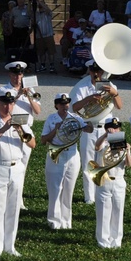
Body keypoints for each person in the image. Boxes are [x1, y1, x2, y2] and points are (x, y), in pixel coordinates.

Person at [0, 89, 35, 257]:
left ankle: (10, 246)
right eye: (4, 103)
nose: (7, 107)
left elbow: (32, 144)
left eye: (10, 103)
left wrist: (20, 130)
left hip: (17, 168)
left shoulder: (21, 121)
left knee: (13, 209)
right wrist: (4, 129)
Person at [73, 60, 122, 205]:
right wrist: (88, 99)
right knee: (89, 162)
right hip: (90, 127)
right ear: (89, 71)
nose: (96, 74)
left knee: (109, 160)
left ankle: (107, 190)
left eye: (99, 71)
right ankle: (90, 197)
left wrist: (114, 93)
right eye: (93, 71)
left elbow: (119, 106)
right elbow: (73, 107)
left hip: (109, 128)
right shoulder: (82, 86)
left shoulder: (110, 84)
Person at [42, 92, 92, 230]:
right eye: (62, 104)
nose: (65, 106)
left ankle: (66, 221)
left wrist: (86, 123)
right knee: (55, 189)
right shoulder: (51, 119)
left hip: (72, 155)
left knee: (68, 190)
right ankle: (53, 220)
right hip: (56, 153)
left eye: (67, 103)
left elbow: (89, 129)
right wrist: (56, 130)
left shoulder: (74, 118)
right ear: (56, 105)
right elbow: (43, 140)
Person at [93, 117, 131, 249]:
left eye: (116, 128)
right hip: (105, 181)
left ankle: (116, 240)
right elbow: (96, 146)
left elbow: (129, 164)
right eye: (111, 127)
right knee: (104, 212)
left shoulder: (122, 143)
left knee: (118, 211)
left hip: (119, 181)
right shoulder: (103, 143)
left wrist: (128, 151)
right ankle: (103, 241)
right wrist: (106, 135)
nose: (114, 130)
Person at [33, 0, 55, 72]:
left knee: (51, 51)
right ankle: (43, 65)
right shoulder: (36, 15)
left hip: (48, 35)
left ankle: (51, 65)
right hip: (39, 36)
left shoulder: (48, 14)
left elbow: (48, 10)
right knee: (41, 52)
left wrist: (39, 2)